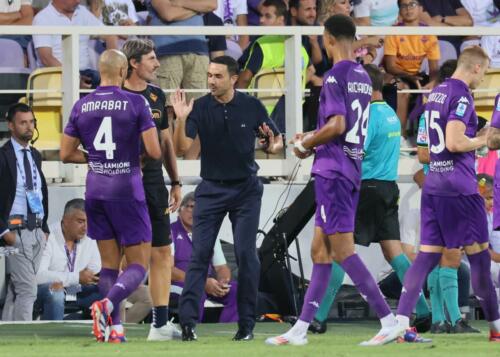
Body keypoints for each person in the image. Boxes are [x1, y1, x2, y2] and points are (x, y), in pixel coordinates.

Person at [265, 14, 397, 347]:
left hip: (333, 172)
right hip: (348, 166)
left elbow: (337, 125)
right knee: (319, 250)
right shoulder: (362, 76)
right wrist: (311, 137)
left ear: (328, 39)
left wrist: (307, 143)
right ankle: (301, 328)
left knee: (341, 250)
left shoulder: (335, 74)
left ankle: (388, 318)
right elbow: (345, 127)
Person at [384, 46, 500, 344]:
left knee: (427, 257)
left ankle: (400, 323)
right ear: (475, 68)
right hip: (459, 187)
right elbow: (455, 141)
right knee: (478, 259)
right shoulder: (461, 95)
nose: (484, 79)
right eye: (485, 72)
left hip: (435, 184)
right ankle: (496, 327)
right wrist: (482, 140)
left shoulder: (434, 95)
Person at [308, 64, 431, 335]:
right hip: (388, 188)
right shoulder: (391, 115)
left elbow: (356, 151)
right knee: (394, 253)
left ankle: (318, 316)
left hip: (366, 187)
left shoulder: (369, 116)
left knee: (340, 251)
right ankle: (421, 310)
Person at [170, 55, 283, 341]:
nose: (211, 81)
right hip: (211, 188)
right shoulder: (200, 107)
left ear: (233, 79)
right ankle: (188, 324)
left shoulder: (251, 106)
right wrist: (181, 119)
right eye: (209, 75)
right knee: (199, 255)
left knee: (247, 255)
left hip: (246, 189)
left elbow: (276, 141)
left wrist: (272, 144)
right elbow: (182, 148)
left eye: (218, 76)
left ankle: (246, 325)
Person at [60, 49, 161, 343]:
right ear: (122, 72)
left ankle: (114, 330)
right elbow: (154, 151)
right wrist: (135, 157)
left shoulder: (81, 105)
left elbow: (66, 153)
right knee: (138, 264)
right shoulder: (135, 101)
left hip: (95, 191)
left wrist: (94, 160)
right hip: (127, 189)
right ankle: (106, 305)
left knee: (108, 265)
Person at [121, 38, 182, 341]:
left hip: (154, 183)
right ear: (134, 63)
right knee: (122, 254)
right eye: (152, 59)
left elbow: (167, 141)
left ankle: (159, 325)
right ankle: (112, 319)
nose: (158, 64)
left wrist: (176, 181)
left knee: (161, 251)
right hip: (122, 182)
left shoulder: (157, 95)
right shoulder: (113, 95)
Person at [0, 102, 49, 321]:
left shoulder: (35, 155)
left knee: (15, 288)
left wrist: (44, 228)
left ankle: (8, 338)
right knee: (28, 290)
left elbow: (41, 191)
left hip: (37, 231)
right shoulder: (3, 156)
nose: (29, 127)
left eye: (31, 122)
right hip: (14, 233)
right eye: (23, 123)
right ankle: (24, 337)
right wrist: (4, 233)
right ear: (11, 126)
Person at [170, 192, 238, 323]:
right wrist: (201, 282)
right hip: (176, 285)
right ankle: (191, 331)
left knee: (237, 290)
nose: (194, 212)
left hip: (204, 284)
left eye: (199, 208)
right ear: (180, 210)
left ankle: (227, 332)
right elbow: (168, 271)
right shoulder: (169, 232)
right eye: (190, 207)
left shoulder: (210, 234)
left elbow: (221, 267)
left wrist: (223, 281)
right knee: (196, 291)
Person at [35, 198, 101, 321]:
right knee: (55, 293)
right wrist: (76, 277)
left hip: (76, 289)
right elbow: (38, 276)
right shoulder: (48, 236)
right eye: (80, 221)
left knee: (108, 291)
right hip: (50, 290)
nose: (85, 227)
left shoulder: (89, 236)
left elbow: (95, 268)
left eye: (88, 221)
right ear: (65, 220)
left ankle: (92, 333)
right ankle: (52, 337)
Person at [384, 0, 440, 138]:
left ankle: (426, 140)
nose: (408, 9)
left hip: (417, 75)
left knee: (435, 90)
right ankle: (400, 138)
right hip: (398, 74)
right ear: (399, 10)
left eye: (412, 4)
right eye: (404, 5)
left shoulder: (428, 33)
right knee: (403, 90)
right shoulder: (393, 31)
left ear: (420, 8)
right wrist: (409, 77)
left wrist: (432, 83)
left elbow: (434, 69)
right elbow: (390, 66)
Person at [32, 0, 118, 89]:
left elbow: (110, 35)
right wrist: (73, 78)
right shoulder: (42, 18)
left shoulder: (82, 12)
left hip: (86, 74)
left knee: (109, 82)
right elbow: (46, 58)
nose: (78, 1)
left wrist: (112, 68)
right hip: (57, 75)